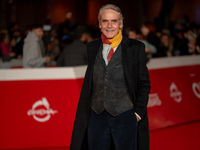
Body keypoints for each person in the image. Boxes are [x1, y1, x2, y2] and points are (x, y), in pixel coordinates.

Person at [70, 4, 151, 150]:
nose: (109, 25)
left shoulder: (135, 48)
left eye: (114, 21)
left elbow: (144, 83)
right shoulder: (92, 47)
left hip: (125, 115)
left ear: (121, 23)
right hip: (96, 116)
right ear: (99, 24)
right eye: (105, 21)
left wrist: (138, 113)